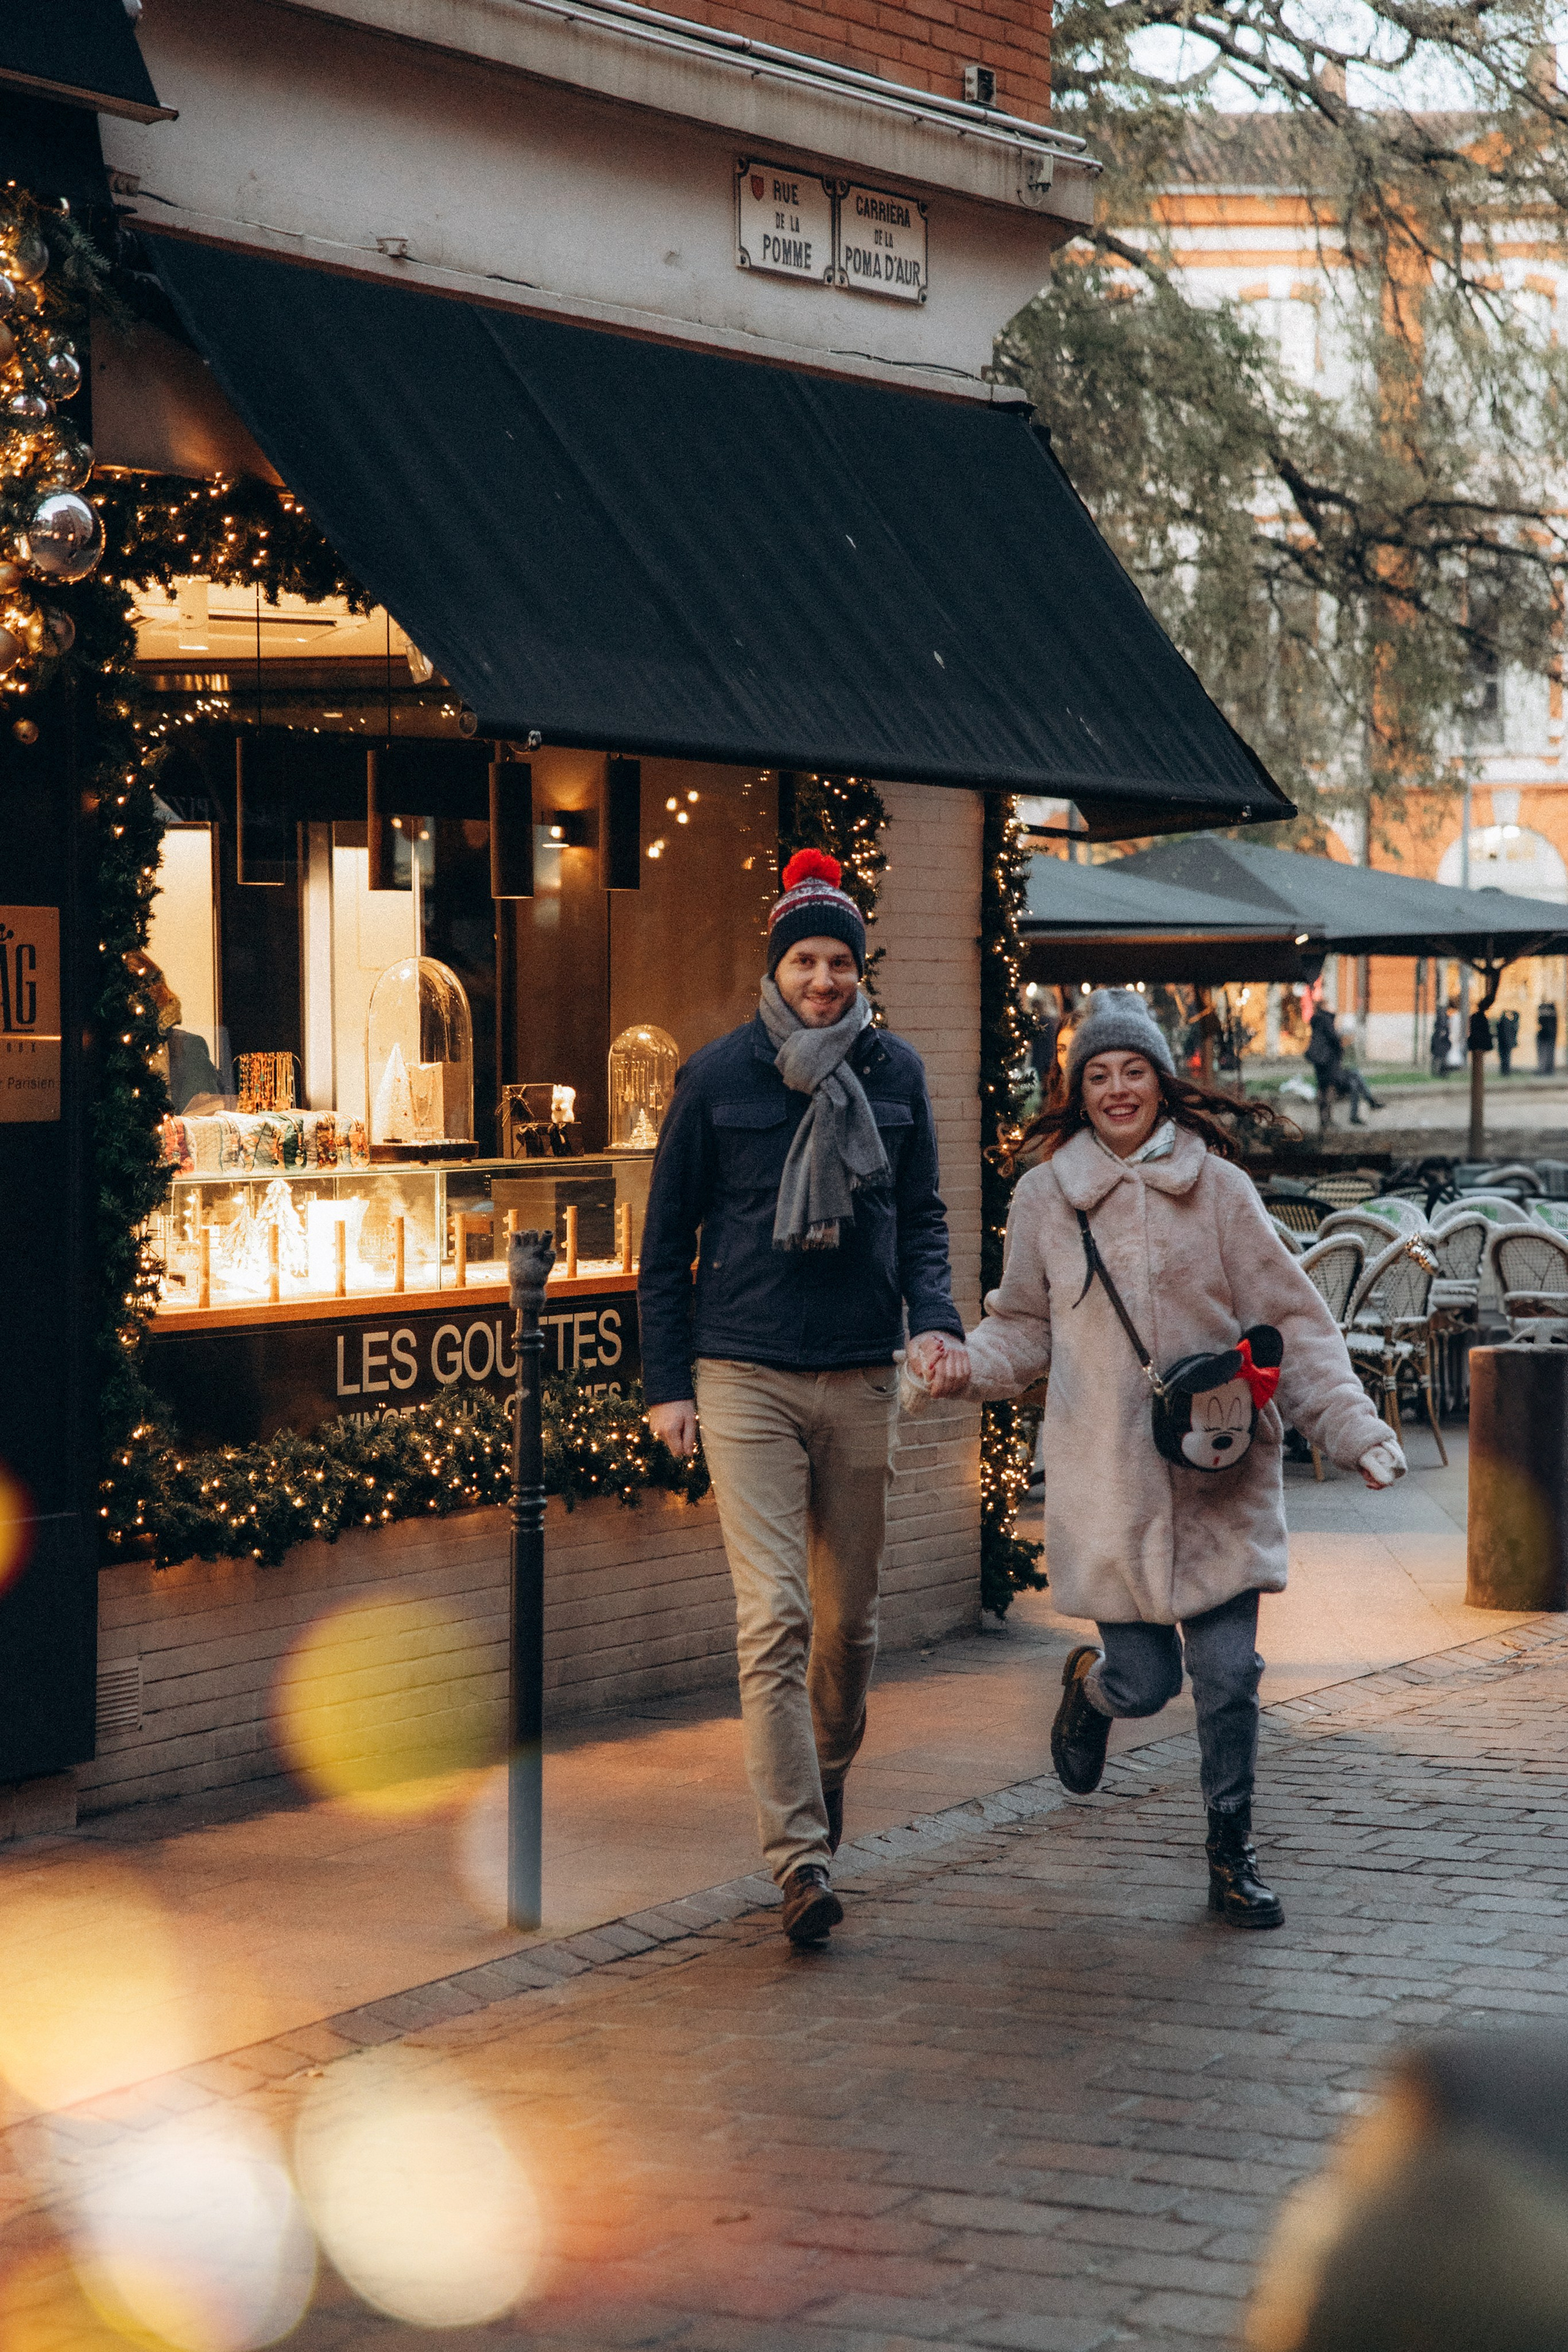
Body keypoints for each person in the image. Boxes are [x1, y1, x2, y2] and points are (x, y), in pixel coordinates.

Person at [908, 990, 1404, 1930]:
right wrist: (966, 1367)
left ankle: (1230, 1852)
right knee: (1147, 1683)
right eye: (1098, 1075)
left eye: (1133, 1070)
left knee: (1228, 1677)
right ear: (1079, 1092)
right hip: (1112, 1488)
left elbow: (1292, 1323)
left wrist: (1353, 1429)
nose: (1117, 1088)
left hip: (1220, 1479)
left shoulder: (1220, 1190)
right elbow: (1022, 1327)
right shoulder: (1049, 1197)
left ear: (1162, 1082)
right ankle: (1091, 1695)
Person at [639, 848, 968, 1948]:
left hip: (862, 1372)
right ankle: (800, 1860)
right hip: (744, 1374)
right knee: (773, 1614)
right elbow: (663, 1245)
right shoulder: (719, 1077)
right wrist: (667, 1386)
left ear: (860, 967)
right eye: (806, 962)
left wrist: (935, 1320)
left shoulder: (897, 1075)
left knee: (850, 1626)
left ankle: (826, 1774)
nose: (823, 980)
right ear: (777, 970)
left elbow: (922, 1218)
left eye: (839, 962)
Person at [1305, 1001, 1344, 1131]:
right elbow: (1334, 1038)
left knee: (1321, 1087)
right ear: (1325, 1007)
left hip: (1319, 1060)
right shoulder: (1326, 1019)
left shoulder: (1316, 1020)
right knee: (1329, 1088)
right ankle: (1327, 1118)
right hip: (1329, 1060)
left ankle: (1322, 1118)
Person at [1429, 1004, 1452, 1079]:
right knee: (1437, 1058)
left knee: (1443, 1058)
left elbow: (1447, 1030)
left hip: (1443, 1042)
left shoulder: (1445, 1019)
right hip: (1439, 1042)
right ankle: (1437, 1072)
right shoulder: (1440, 1019)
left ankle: (1442, 1073)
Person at [1497, 1006, 1520, 1076]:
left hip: (1505, 1043)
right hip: (1506, 1043)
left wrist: (1507, 1012)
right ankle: (1505, 1072)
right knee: (1506, 1058)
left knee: (1505, 1058)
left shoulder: (1509, 1024)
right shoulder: (1510, 1024)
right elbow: (1517, 1017)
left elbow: (1517, 1017)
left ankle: (1505, 1072)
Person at [1537, 1000, 1558, 1076]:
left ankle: (1546, 1070)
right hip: (1545, 1036)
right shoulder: (1549, 1017)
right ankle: (1544, 1070)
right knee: (1544, 1053)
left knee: (1547, 1053)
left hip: (1548, 1036)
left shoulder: (1549, 1017)